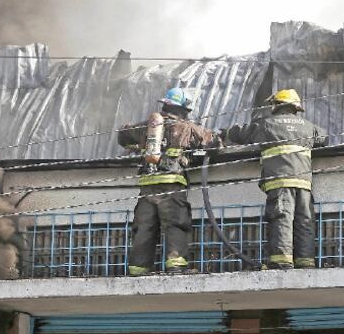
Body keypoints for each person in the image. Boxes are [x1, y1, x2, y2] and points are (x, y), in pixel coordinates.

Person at [118, 87, 221, 275]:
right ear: (183, 110)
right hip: (172, 184)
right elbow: (214, 143)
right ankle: (176, 266)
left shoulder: (148, 126)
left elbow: (122, 135)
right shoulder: (188, 128)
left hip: (147, 186)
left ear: (165, 105)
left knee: (144, 227)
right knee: (176, 224)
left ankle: (138, 269)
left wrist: (138, 140)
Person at [222, 89, 328, 270]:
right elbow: (324, 138)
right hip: (304, 183)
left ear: (276, 106)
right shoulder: (308, 126)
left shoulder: (266, 125)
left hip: (280, 182)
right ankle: (305, 262)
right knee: (304, 221)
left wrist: (224, 133)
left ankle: (281, 261)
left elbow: (241, 133)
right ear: (296, 108)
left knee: (281, 218)